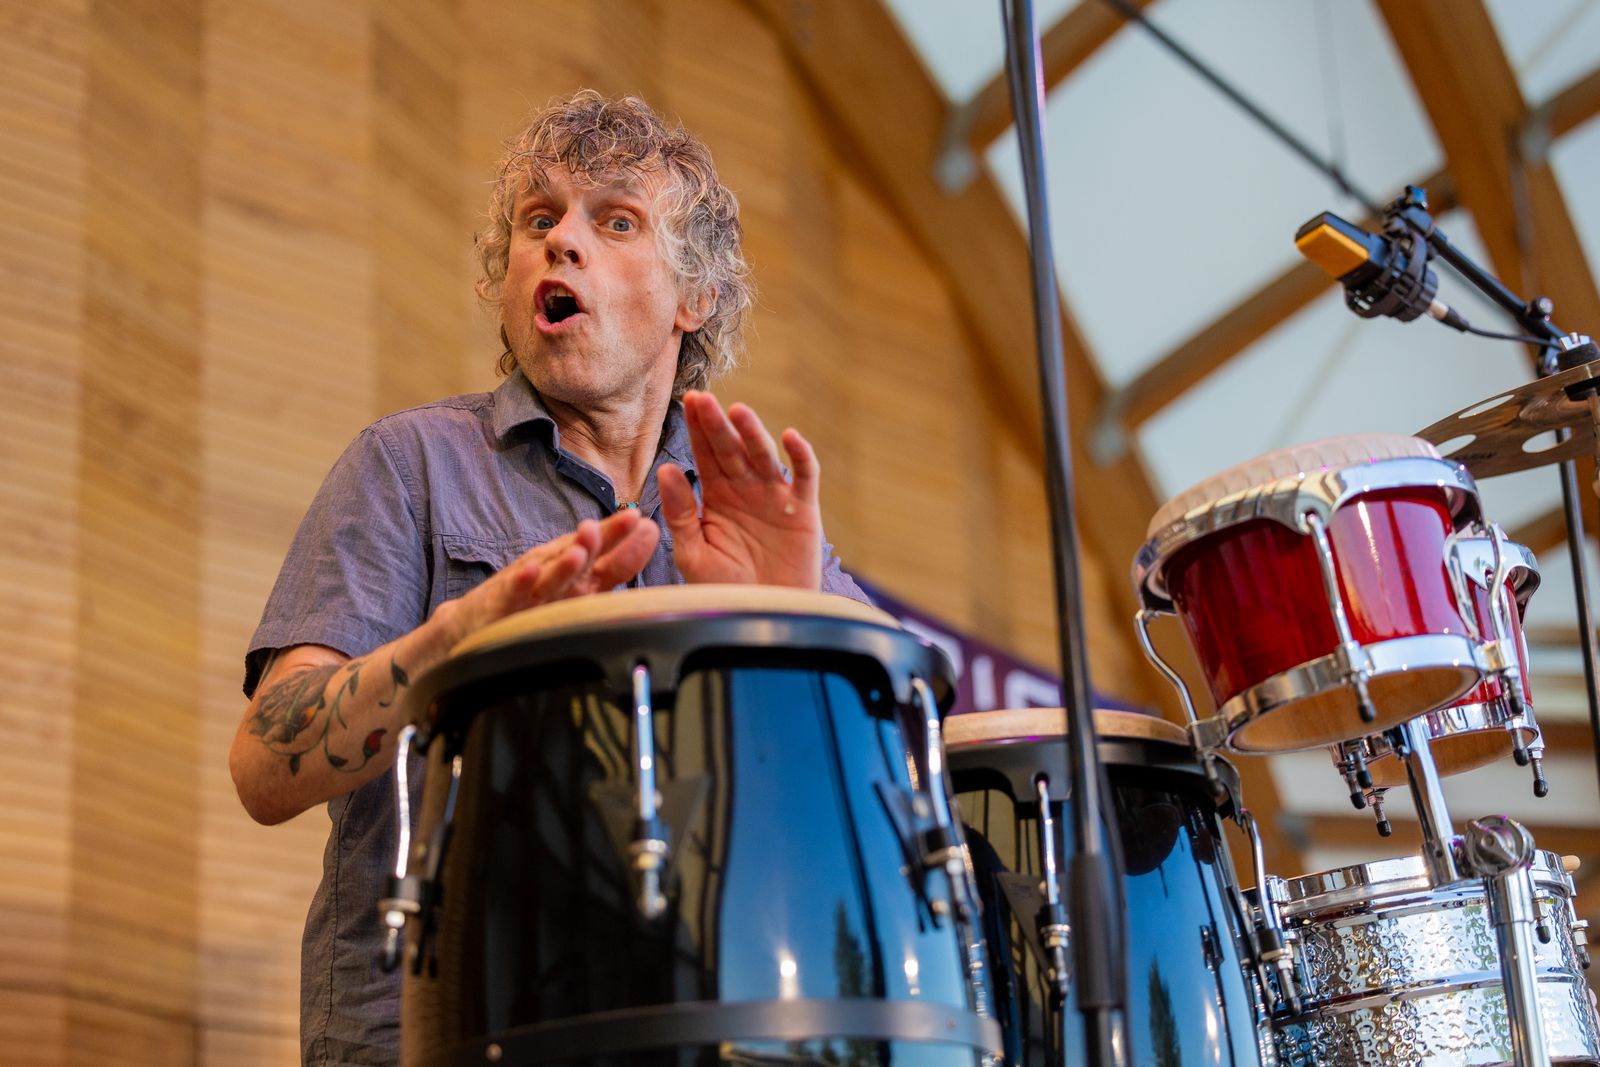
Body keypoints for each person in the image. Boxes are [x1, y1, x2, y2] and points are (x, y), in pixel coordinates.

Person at [231, 90, 868, 1065]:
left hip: (699, 1030)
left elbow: (912, 780)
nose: (560, 239)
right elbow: (264, 768)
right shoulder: (409, 465)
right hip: (434, 1030)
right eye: (539, 220)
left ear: (695, 297)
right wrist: (458, 640)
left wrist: (798, 622)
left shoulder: (751, 507)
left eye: (615, 221)